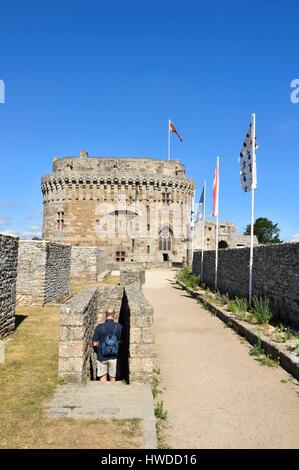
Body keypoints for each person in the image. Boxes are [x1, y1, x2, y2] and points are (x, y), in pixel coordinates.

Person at [92, 308, 123, 382]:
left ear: (105, 314)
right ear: (114, 314)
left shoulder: (99, 327)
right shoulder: (119, 327)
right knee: (113, 377)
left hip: (101, 356)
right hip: (114, 356)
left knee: (102, 377)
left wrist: (99, 349)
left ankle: (102, 392)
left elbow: (94, 343)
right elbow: (122, 342)